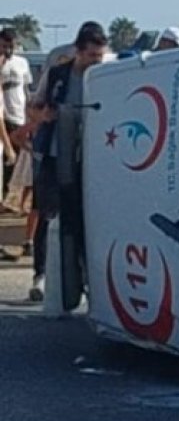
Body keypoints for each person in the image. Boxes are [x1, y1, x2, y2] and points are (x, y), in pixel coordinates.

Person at [28, 22, 109, 302]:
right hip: (53, 155)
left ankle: (83, 277)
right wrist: (45, 115)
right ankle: (41, 274)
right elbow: (34, 108)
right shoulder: (57, 74)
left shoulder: (104, 79)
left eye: (99, 57)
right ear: (78, 51)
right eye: (90, 57)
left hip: (88, 159)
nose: (94, 63)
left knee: (84, 217)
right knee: (48, 215)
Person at [0, 29, 26, 203]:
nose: (7, 50)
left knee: (18, 160)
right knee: (6, 157)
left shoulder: (21, 63)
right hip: (4, 116)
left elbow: (25, 89)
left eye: (11, 46)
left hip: (19, 115)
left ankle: (11, 197)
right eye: (4, 46)